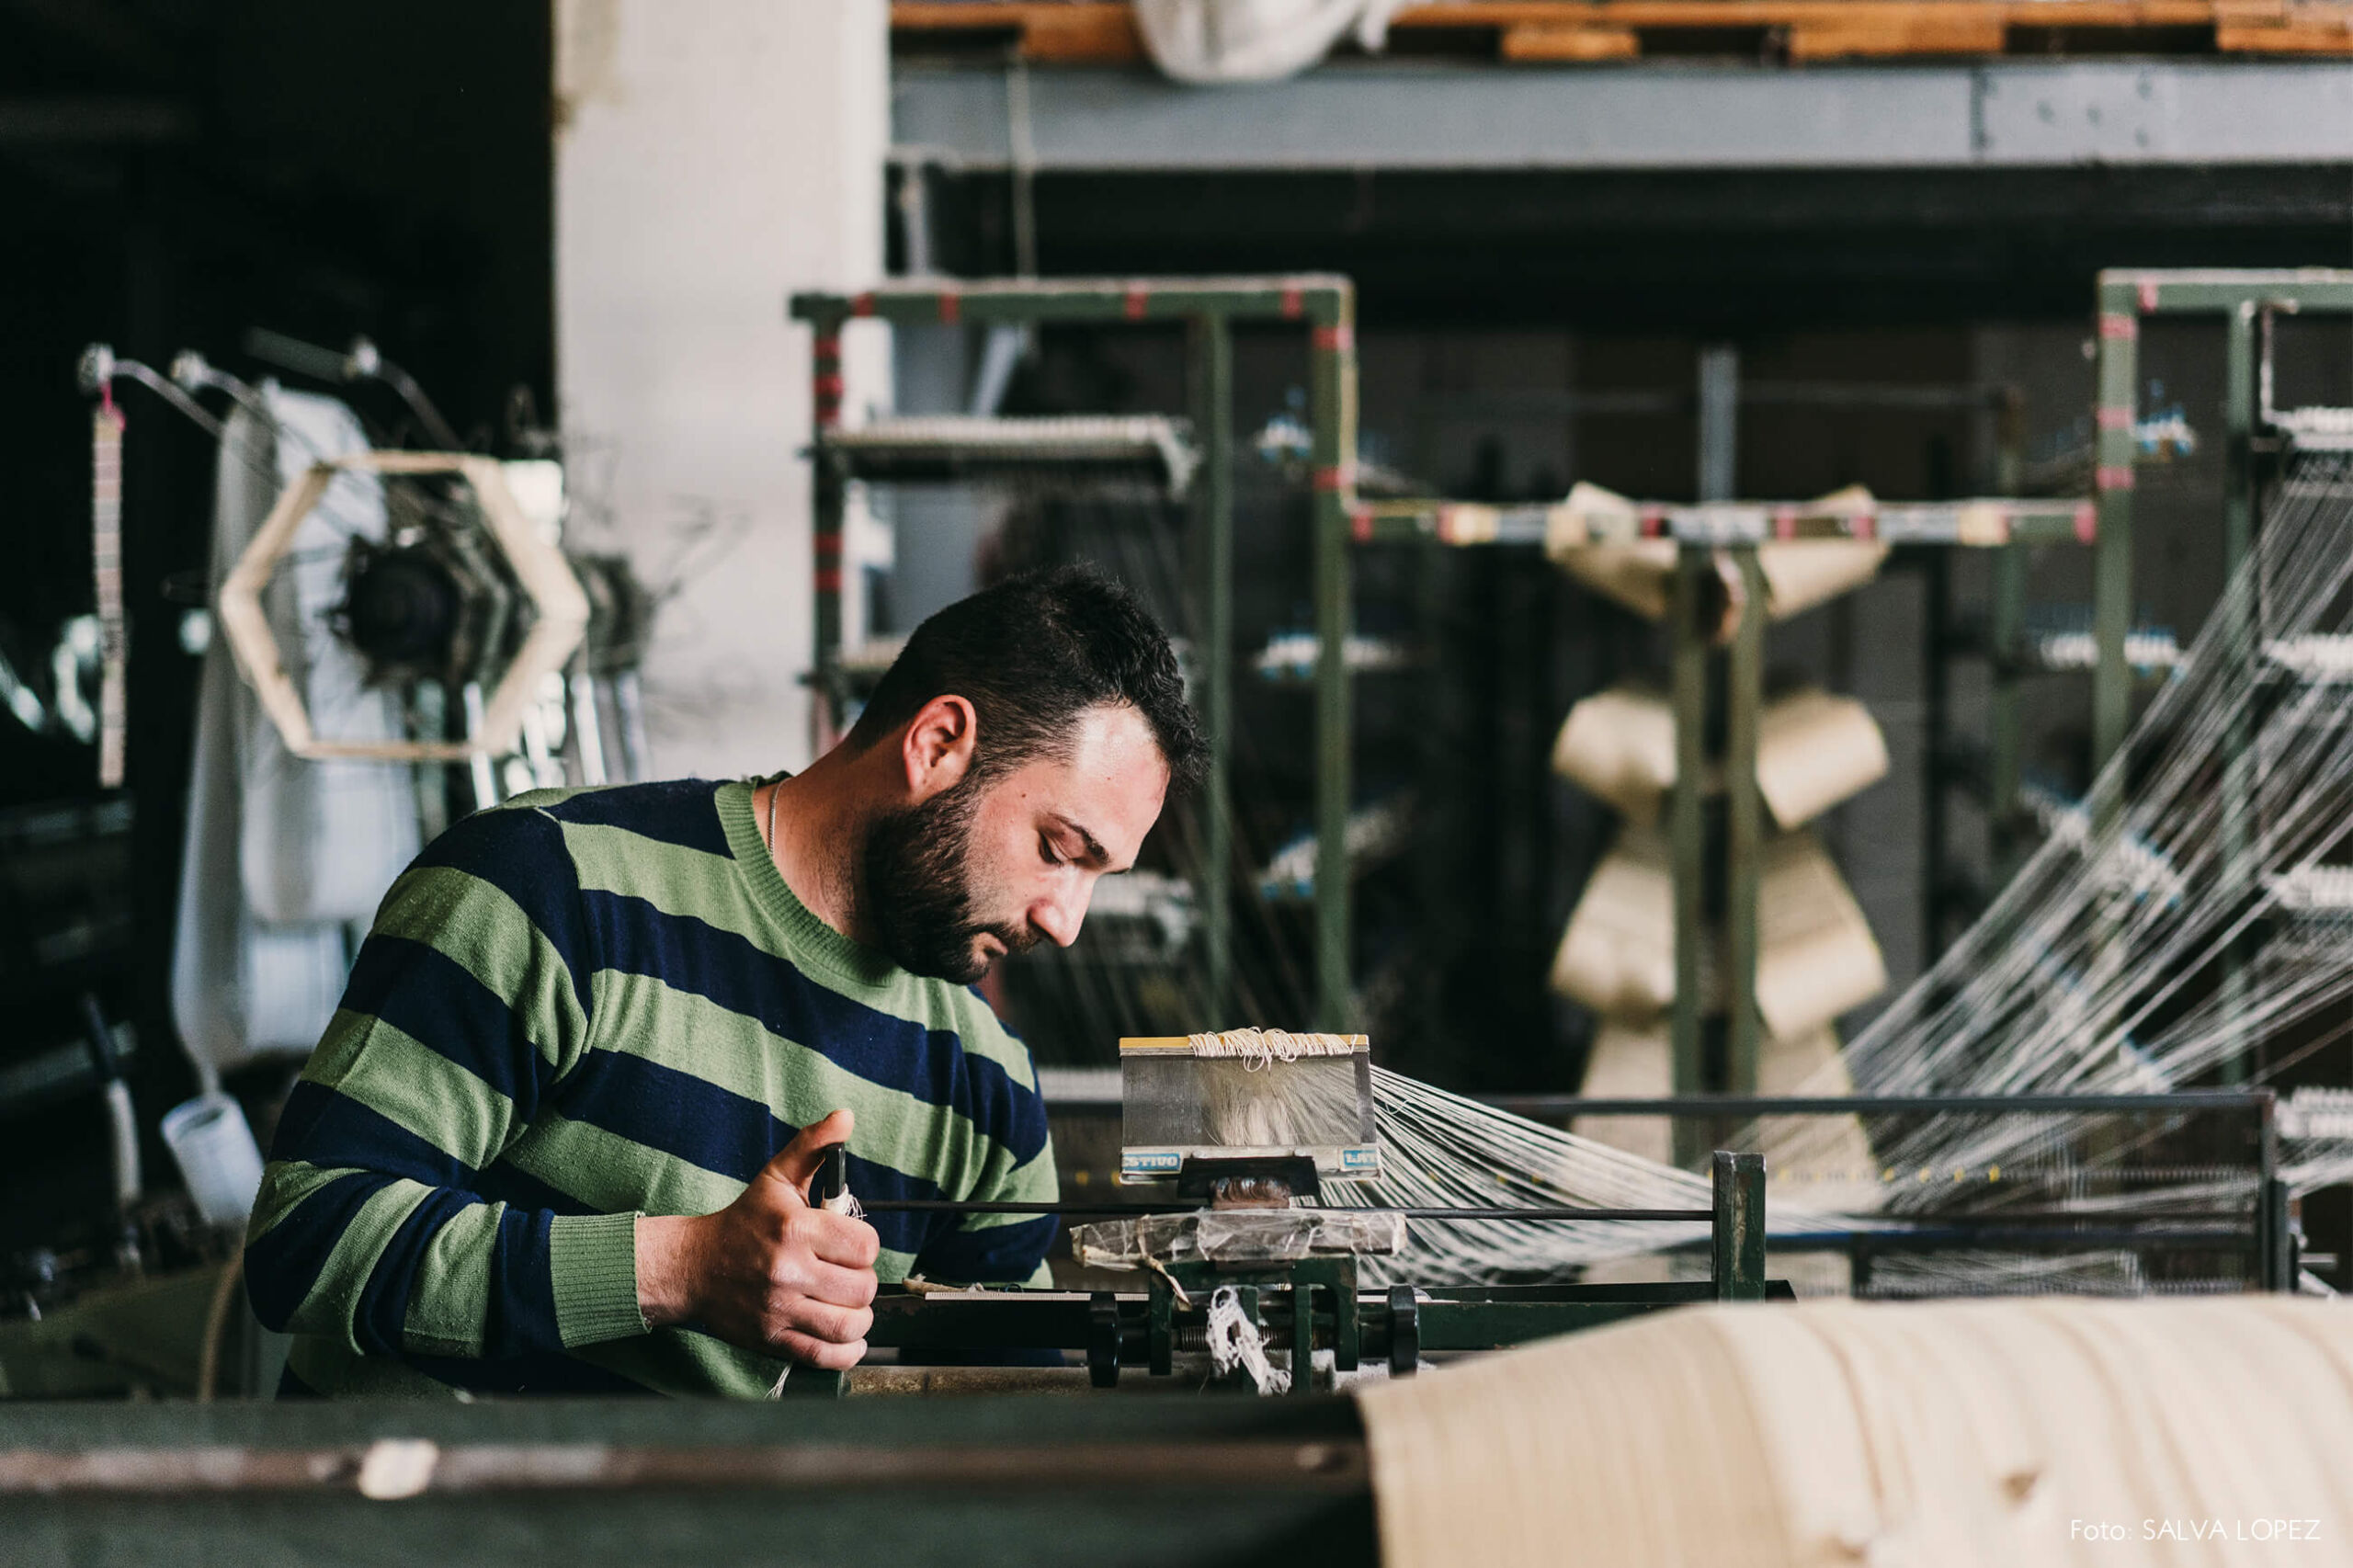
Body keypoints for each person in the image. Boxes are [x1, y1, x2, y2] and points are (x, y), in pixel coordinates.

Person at [244, 566, 1204, 1396]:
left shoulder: (984, 1087)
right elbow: (308, 1238)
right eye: (1057, 850)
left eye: (1095, 877)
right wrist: (681, 1268)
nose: (1063, 920)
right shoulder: (550, 886)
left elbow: (1001, 1430)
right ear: (937, 744)